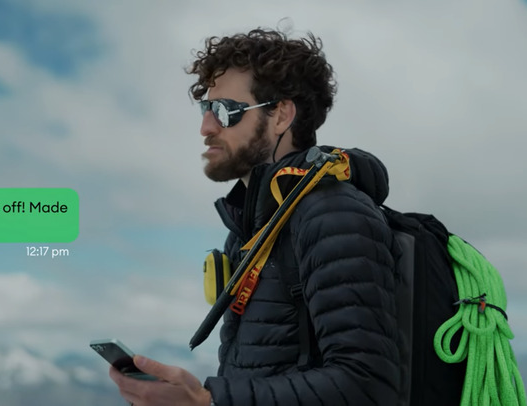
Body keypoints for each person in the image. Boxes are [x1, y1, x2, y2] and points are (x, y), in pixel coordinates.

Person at [109, 28, 401, 405]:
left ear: (281, 115)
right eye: (205, 109)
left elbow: (368, 387)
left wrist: (208, 401)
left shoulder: (332, 214)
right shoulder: (252, 230)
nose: (206, 128)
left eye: (225, 111)